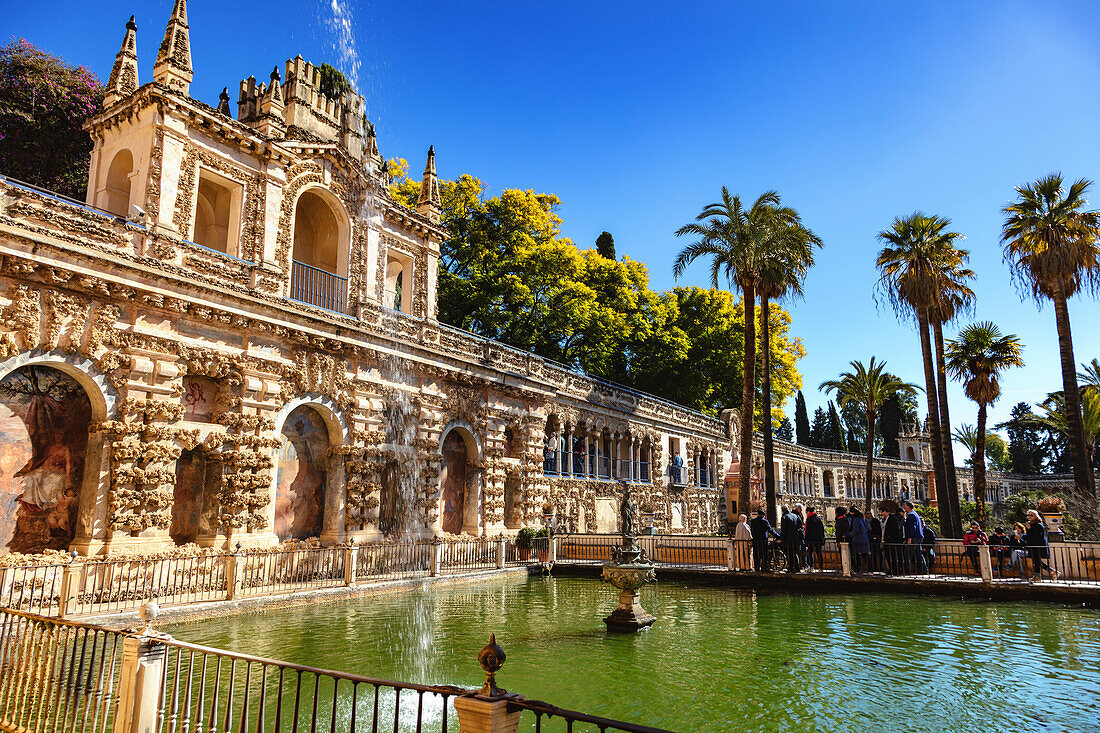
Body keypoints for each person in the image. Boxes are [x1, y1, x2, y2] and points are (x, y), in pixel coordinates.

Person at [1024, 510, 1060, 582]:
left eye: (1031, 515)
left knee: (1036, 561)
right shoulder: (1031, 524)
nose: (1030, 517)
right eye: (1029, 515)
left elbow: (1037, 536)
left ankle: (1038, 576)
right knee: (1036, 561)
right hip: (1032, 545)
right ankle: (1051, 572)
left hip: (1037, 546)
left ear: (1036, 516)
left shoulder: (1038, 525)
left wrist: (1030, 529)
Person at [779, 504, 804, 573]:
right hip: (796, 539)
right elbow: (800, 527)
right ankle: (797, 568)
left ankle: (791, 569)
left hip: (788, 540)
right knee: (794, 554)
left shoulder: (784, 517)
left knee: (789, 555)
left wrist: (781, 539)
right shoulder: (795, 516)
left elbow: (784, 530)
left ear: (782, 511)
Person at [904, 501, 927, 573]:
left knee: (908, 554)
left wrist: (909, 537)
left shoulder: (911, 515)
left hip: (914, 537)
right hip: (918, 537)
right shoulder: (915, 514)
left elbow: (912, 527)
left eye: (905, 507)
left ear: (908, 507)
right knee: (918, 554)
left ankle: (907, 570)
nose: (904, 509)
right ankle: (924, 570)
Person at [848, 508, 871, 574]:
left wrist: (850, 535)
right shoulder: (862, 519)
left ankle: (856, 570)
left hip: (857, 540)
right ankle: (870, 570)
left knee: (856, 556)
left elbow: (856, 531)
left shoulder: (856, 520)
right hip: (865, 540)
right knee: (865, 555)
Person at [804, 506, 825, 572]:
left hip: (811, 540)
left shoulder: (809, 519)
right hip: (818, 539)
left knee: (810, 553)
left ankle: (811, 567)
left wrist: (806, 540)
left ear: (808, 512)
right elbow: (822, 529)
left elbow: (807, 530)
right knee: (819, 553)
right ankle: (821, 568)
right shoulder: (818, 518)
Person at [868, 506, 883, 572]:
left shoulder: (874, 521)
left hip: (875, 540)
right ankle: (875, 567)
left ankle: (879, 567)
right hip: (872, 540)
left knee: (877, 554)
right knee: (874, 555)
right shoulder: (868, 521)